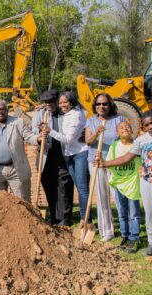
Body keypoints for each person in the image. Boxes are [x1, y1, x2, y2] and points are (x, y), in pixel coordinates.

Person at [97, 110, 152, 263]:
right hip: (146, 182)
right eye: (146, 125)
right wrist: (104, 163)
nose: (151, 126)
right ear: (143, 127)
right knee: (151, 215)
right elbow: (125, 158)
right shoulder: (141, 141)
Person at [40, 92, 90, 227]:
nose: (62, 105)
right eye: (61, 103)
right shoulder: (46, 113)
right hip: (64, 154)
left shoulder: (74, 114)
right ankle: (74, 217)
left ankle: (84, 220)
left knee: (79, 188)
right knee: (74, 187)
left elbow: (68, 138)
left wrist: (50, 131)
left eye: (64, 102)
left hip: (76, 153)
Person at [85, 93, 125, 241]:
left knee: (119, 195)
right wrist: (96, 133)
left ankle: (125, 229)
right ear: (95, 106)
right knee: (102, 197)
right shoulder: (91, 121)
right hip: (96, 162)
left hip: (115, 162)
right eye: (98, 104)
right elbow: (88, 142)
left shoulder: (119, 120)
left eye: (105, 104)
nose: (101, 107)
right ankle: (106, 231)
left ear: (110, 105)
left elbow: (126, 138)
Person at [32, 90, 74, 226]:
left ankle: (64, 219)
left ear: (57, 101)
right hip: (46, 155)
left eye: (51, 102)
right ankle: (54, 216)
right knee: (49, 187)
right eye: (46, 102)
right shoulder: (40, 114)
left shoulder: (66, 114)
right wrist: (39, 134)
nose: (48, 104)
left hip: (62, 155)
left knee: (64, 188)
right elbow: (33, 132)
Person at [104, 121, 142, 253]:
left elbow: (124, 159)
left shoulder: (137, 146)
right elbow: (109, 162)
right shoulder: (114, 146)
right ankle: (125, 236)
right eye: (121, 127)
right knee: (121, 213)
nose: (125, 128)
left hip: (132, 183)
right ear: (117, 133)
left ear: (132, 130)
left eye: (127, 126)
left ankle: (134, 237)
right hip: (118, 184)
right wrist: (101, 161)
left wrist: (104, 163)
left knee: (134, 214)